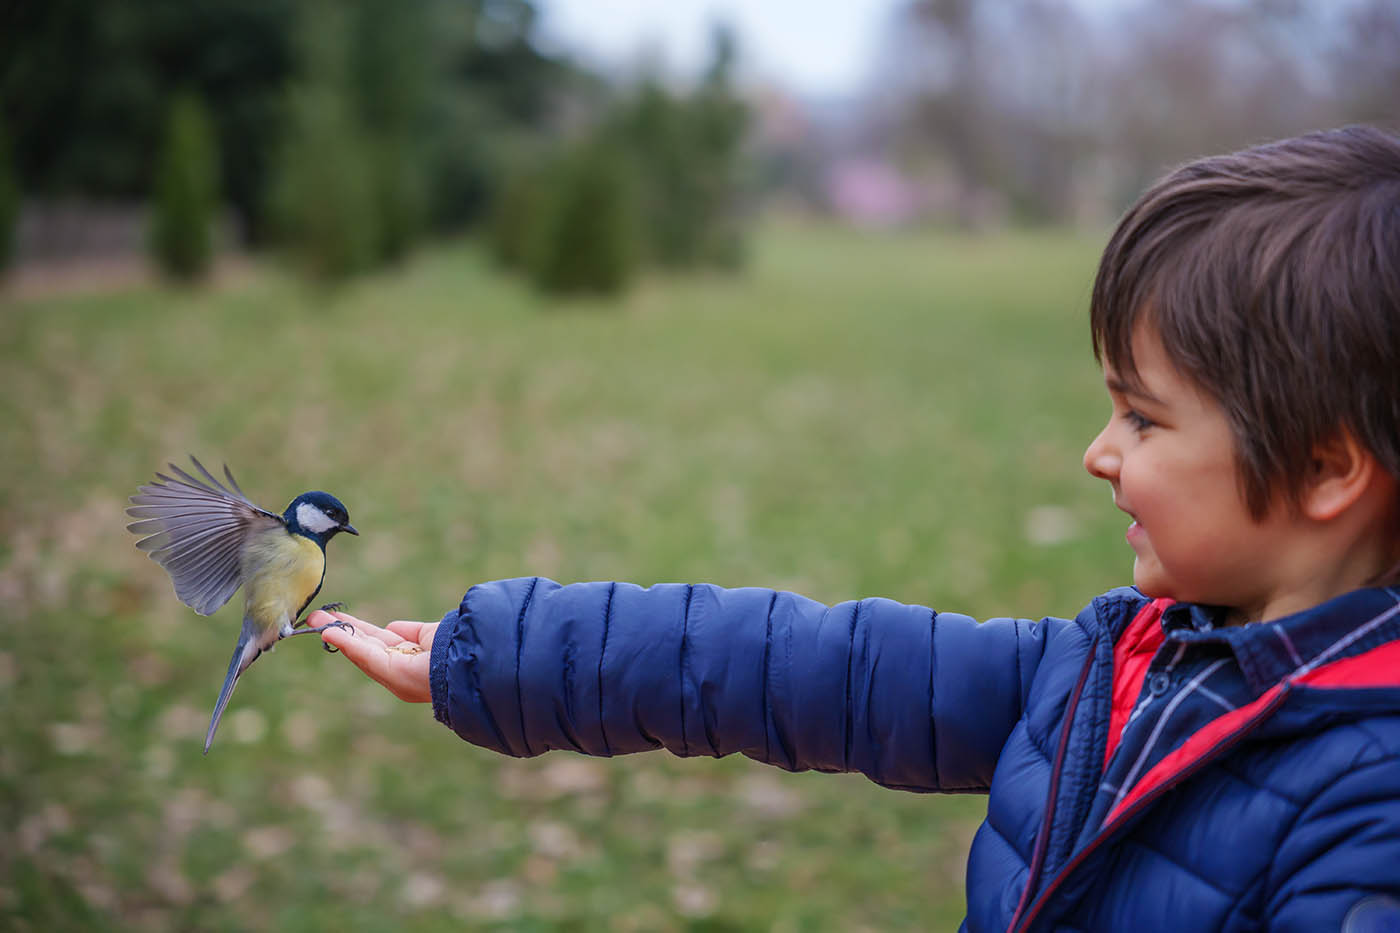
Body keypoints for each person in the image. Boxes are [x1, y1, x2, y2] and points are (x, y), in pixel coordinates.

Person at [309, 126, 1400, 932]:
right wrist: (501, 658)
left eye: (1141, 416)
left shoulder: (1370, 816)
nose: (1097, 452)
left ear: (1322, 469)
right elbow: (800, 669)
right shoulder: (1114, 665)